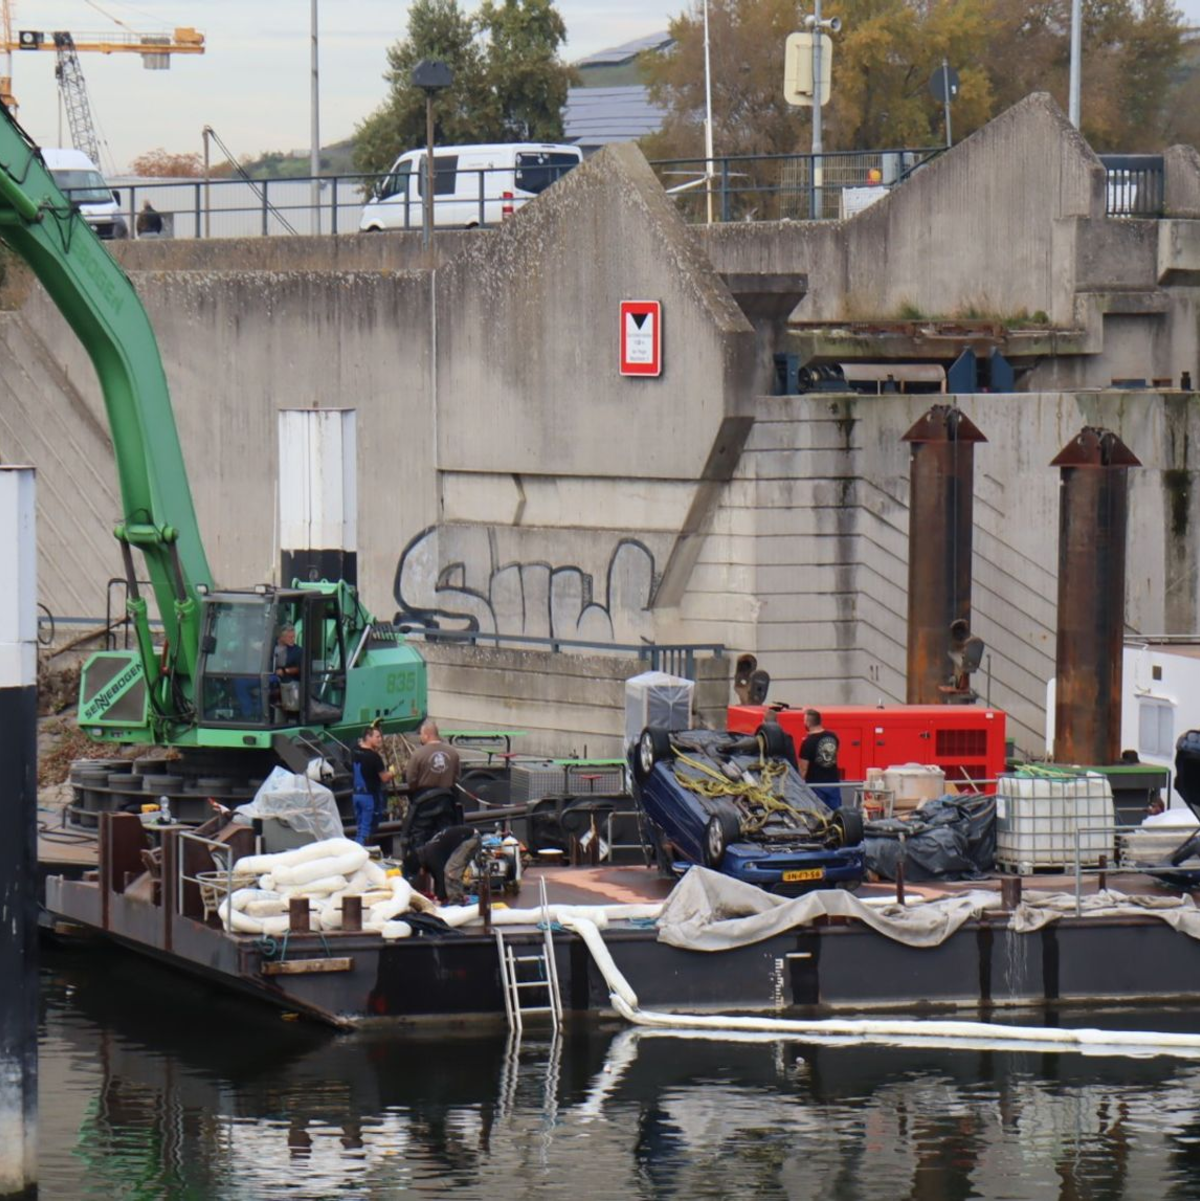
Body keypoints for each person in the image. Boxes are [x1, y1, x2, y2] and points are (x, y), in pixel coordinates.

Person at [416, 824, 481, 904]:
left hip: (470, 838)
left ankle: (456, 901)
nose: (422, 874)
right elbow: (437, 877)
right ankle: (455, 898)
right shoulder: (429, 852)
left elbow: (440, 875)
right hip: (467, 836)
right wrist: (439, 896)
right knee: (450, 870)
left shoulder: (431, 855)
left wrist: (439, 899)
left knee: (451, 871)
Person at [353, 725, 395, 846]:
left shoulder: (355, 751)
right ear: (368, 737)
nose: (380, 739)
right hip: (368, 797)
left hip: (356, 795)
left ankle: (356, 849)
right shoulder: (374, 757)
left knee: (360, 828)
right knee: (366, 830)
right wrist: (392, 772)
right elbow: (384, 778)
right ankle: (360, 853)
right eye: (377, 736)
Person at [405, 718, 461, 801]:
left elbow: (411, 779)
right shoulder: (453, 753)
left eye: (421, 734)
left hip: (424, 800)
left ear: (427, 735)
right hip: (447, 799)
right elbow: (457, 776)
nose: (420, 737)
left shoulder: (418, 754)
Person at [798, 708, 842, 810]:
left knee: (819, 815)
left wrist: (799, 785)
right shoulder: (833, 737)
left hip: (816, 786)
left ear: (808, 723)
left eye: (804, 721)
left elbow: (803, 769)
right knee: (836, 813)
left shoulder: (808, 742)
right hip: (833, 783)